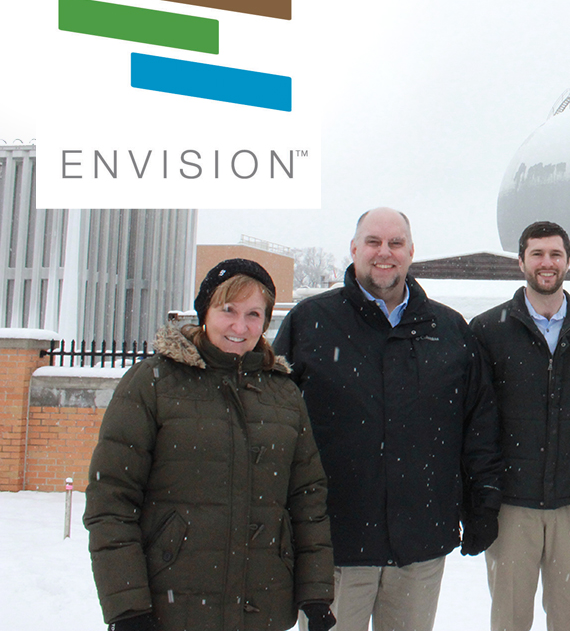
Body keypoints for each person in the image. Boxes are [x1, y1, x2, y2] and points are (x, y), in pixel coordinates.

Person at [274, 208, 503, 631]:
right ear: (354, 249)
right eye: (374, 242)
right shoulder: (311, 323)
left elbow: (479, 427)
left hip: (419, 545)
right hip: (335, 546)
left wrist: (482, 503)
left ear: (411, 252)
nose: (385, 253)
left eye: (395, 243)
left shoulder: (449, 330)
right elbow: (273, 425)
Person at [84, 258, 335, 631]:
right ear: (205, 312)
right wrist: (127, 606)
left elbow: (307, 498)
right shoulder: (152, 382)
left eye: (254, 314)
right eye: (228, 310)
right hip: (170, 608)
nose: (239, 326)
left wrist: (315, 594)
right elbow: (112, 499)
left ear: (265, 323)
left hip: (262, 606)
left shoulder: (283, 394)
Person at [469, 220, 570, 631]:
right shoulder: (489, 331)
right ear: (521, 260)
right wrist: (481, 499)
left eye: (555, 254)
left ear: (569, 262)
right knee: (510, 622)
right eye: (537, 253)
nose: (546, 262)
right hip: (511, 508)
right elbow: (476, 424)